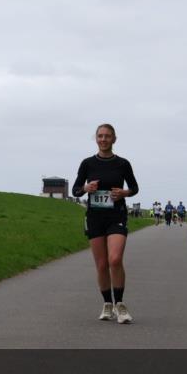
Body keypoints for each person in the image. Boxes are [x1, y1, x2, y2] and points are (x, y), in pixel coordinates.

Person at [72, 123, 139, 325]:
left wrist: (124, 193)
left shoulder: (123, 164)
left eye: (107, 136)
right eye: (100, 136)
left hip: (116, 215)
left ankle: (120, 304)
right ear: (96, 139)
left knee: (115, 259)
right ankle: (107, 304)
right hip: (95, 218)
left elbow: (134, 188)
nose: (103, 139)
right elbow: (75, 190)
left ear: (114, 139)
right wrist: (86, 188)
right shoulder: (87, 163)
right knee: (101, 265)